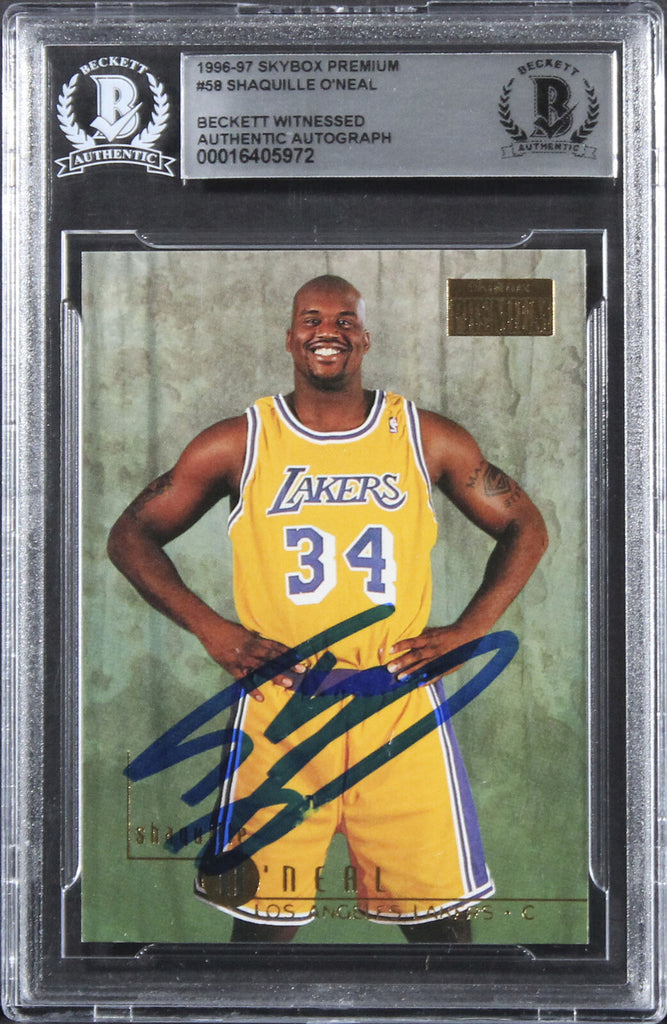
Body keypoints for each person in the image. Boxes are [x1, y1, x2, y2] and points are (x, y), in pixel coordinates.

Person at [108, 274, 548, 944]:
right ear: (290, 337)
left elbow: (526, 526)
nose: (328, 331)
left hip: (396, 703)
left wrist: (471, 628)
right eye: (312, 318)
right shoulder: (240, 440)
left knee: (442, 932)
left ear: (365, 337)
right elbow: (130, 535)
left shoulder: (424, 436)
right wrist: (213, 630)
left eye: (345, 320)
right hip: (281, 705)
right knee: (261, 932)